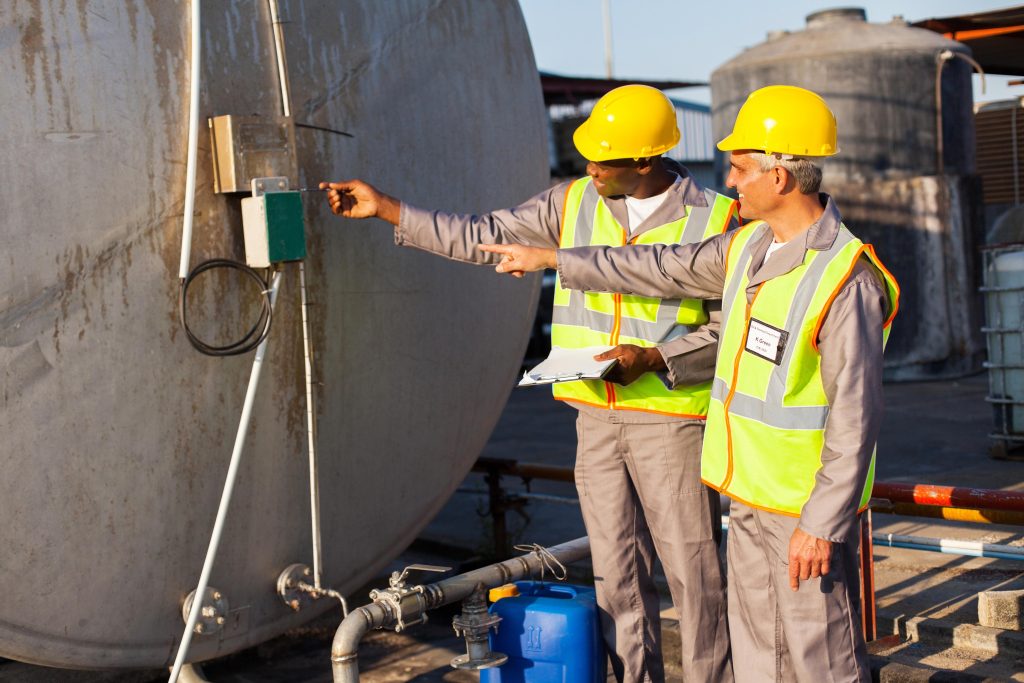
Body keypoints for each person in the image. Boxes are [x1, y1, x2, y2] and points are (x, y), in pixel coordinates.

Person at [481, 84, 900, 682]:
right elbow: (655, 266)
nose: (731, 182)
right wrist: (553, 259)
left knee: (819, 657)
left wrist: (823, 522)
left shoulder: (846, 279)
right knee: (758, 655)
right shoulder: (749, 247)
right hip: (746, 495)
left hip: (802, 512)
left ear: (780, 176)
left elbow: (856, 417)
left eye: (740, 168)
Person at [321, 84, 736, 682]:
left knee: (695, 580)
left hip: (670, 423)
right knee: (616, 577)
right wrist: (387, 208)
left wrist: (657, 357)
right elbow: (482, 235)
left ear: (645, 161)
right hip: (593, 417)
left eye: (603, 160)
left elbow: (730, 328)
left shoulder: (717, 218)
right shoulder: (570, 203)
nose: (588, 168)